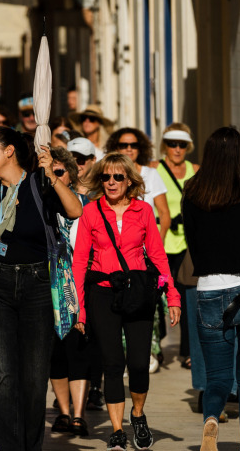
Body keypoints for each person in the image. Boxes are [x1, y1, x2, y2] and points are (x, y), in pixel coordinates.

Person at [0, 127, 82, 450]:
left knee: (34, 378)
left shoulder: (40, 185)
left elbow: (75, 210)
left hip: (37, 285)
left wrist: (52, 174)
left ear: (9, 151)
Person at [72, 153, 180, 451]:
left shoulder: (144, 210)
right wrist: (80, 308)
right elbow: (80, 261)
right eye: (106, 177)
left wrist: (173, 294)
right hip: (102, 293)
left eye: (118, 177)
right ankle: (118, 429)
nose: (111, 182)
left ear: (129, 180)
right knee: (112, 363)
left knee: (138, 363)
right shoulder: (91, 212)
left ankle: (138, 414)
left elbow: (158, 256)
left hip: (136, 292)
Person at [182, 126, 240, 451]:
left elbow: (193, 246)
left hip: (209, 290)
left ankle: (211, 418)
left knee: (217, 378)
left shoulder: (192, 194)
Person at [106, 127, 173, 372]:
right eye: (123, 145)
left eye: (133, 145)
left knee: (152, 301)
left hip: (147, 254)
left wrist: (155, 245)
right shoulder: (108, 176)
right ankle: (124, 353)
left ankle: (152, 349)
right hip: (117, 255)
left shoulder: (151, 174)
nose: (129, 149)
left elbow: (164, 214)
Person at [48, 147, 95, 437]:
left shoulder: (86, 205)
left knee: (79, 349)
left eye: (59, 172)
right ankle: (63, 413)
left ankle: (79, 414)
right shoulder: (40, 203)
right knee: (55, 353)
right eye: (49, 173)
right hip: (46, 285)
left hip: (79, 283)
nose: (54, 177)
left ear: (70, 173)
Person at [149, 123, 200, 369]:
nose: (177, 149)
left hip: (187, 244)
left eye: (181, 144)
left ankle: (188, 351)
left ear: (188, 146)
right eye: (172, 144)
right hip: (160, 241)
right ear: (164, 145)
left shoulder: (196, 170)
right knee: (156, 297)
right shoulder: (153, 169)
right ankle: (155, 346)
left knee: (188, 296)